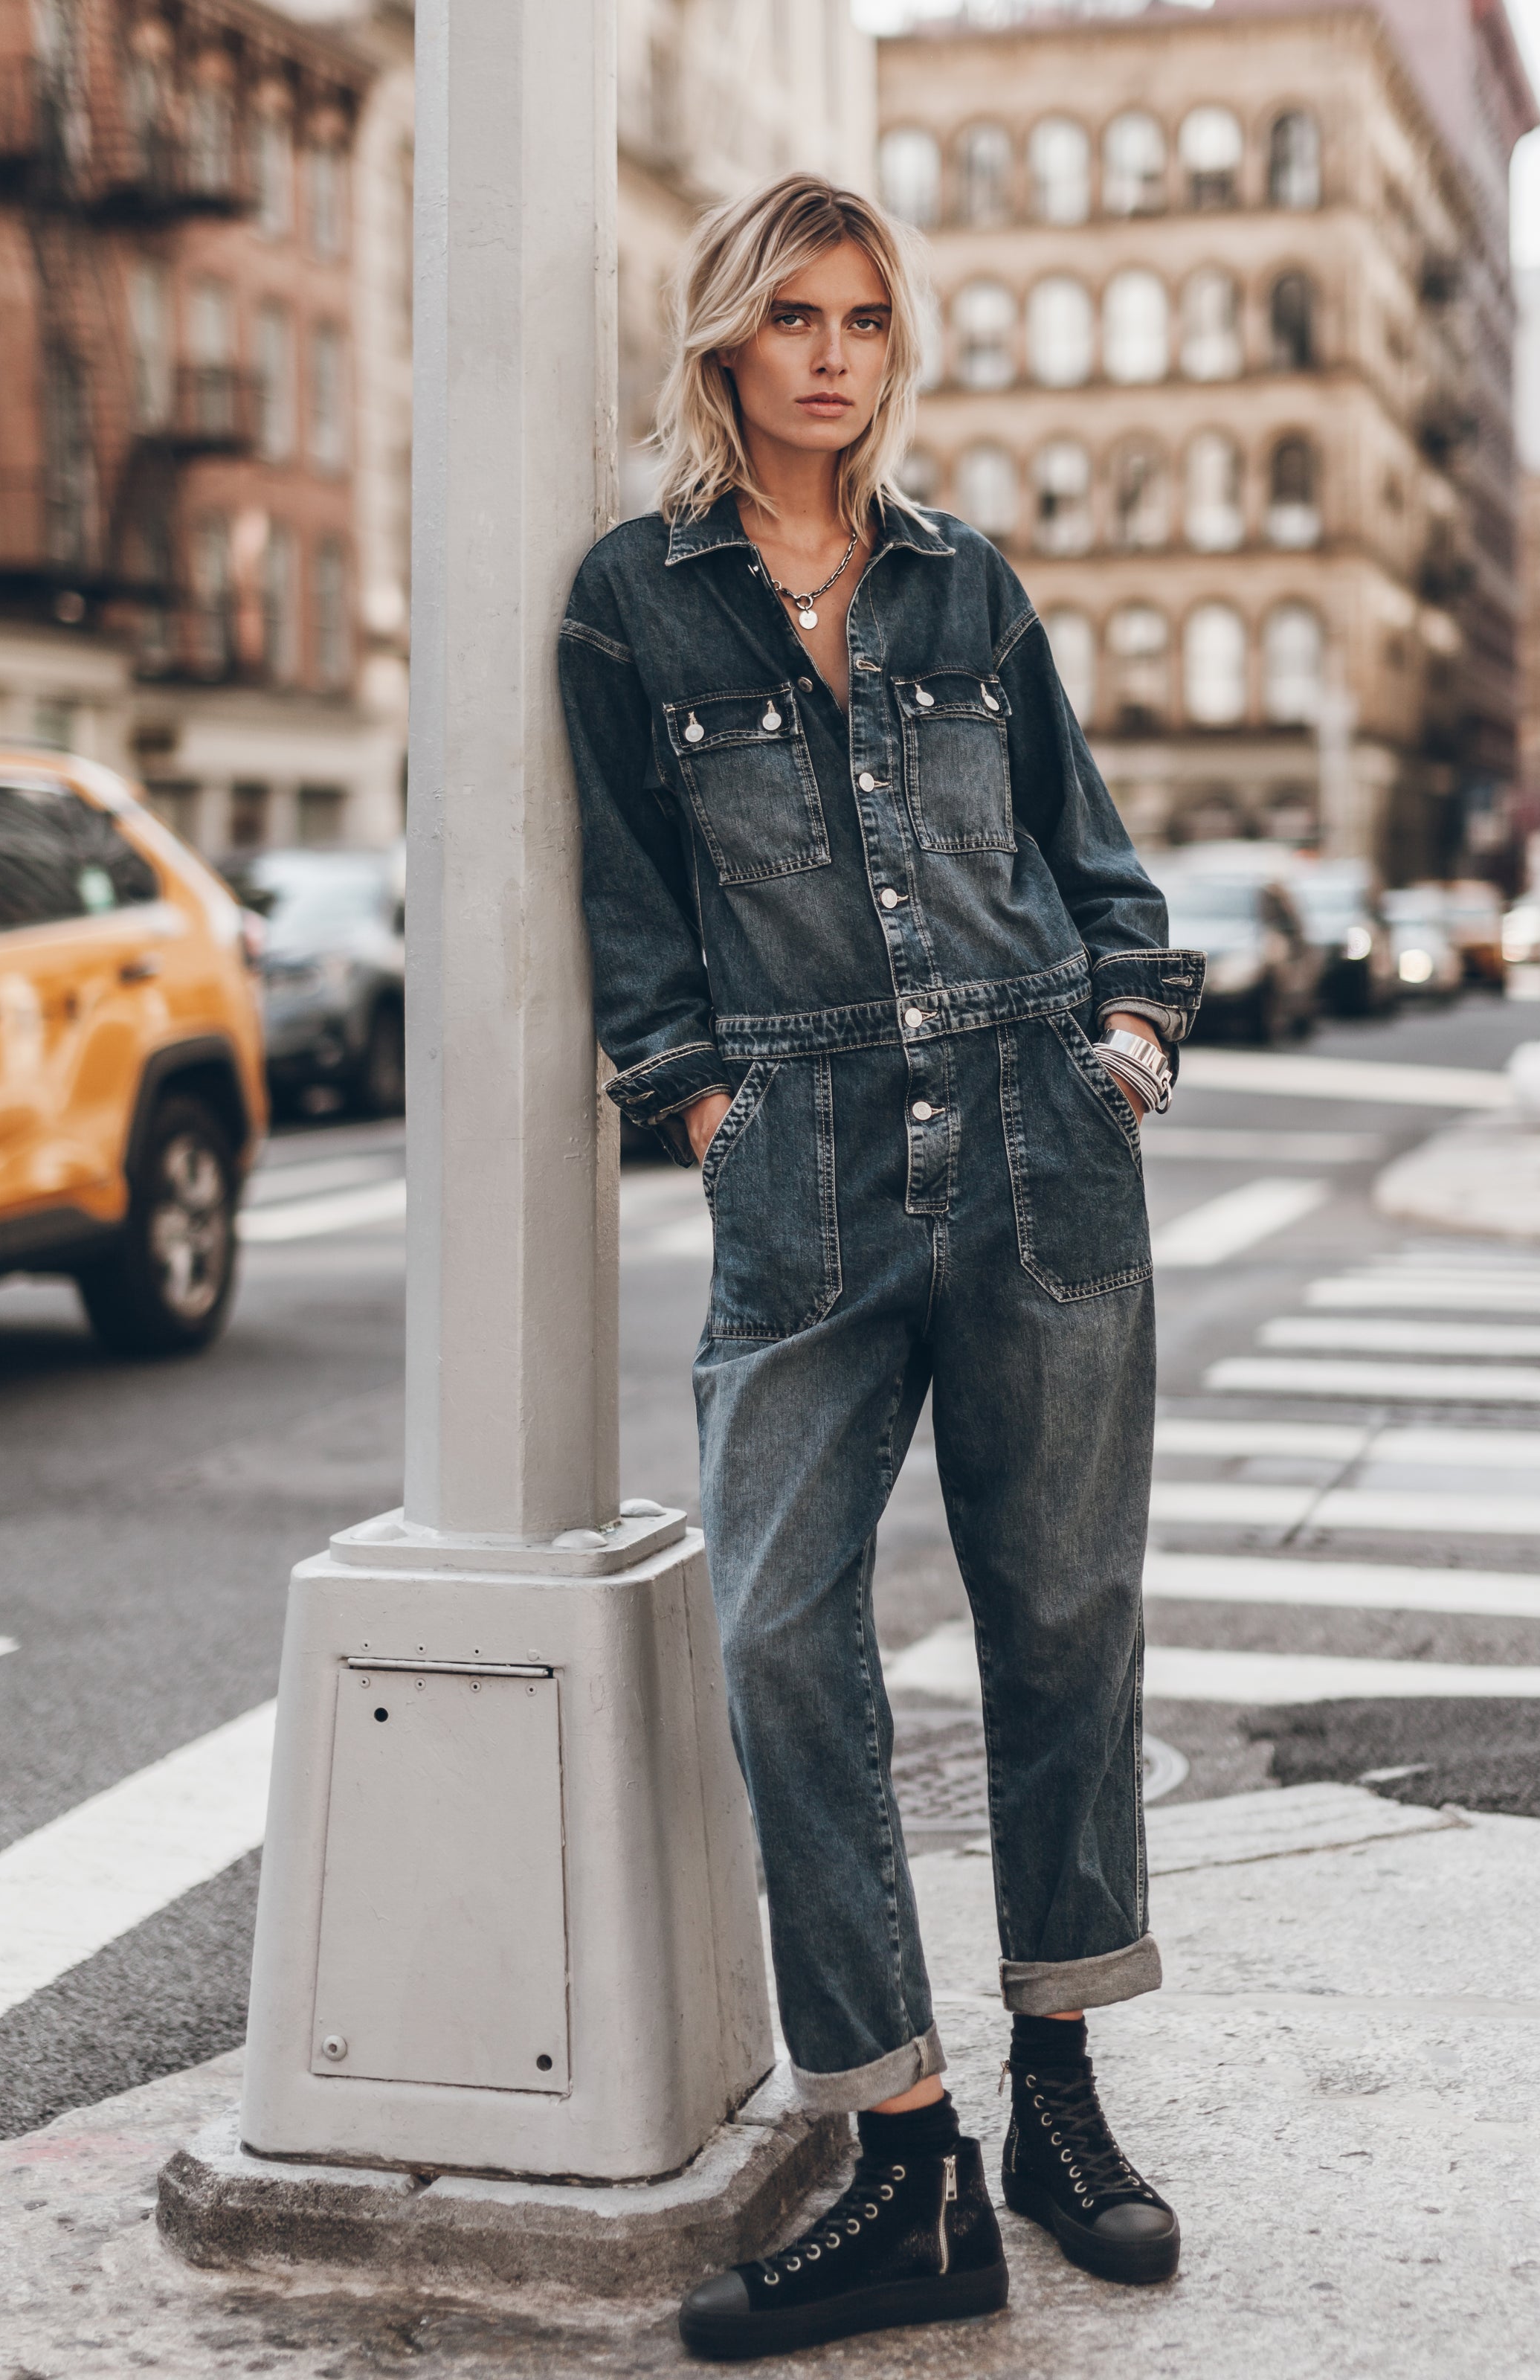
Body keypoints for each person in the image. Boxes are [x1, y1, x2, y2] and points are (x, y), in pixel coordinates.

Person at [558, 174, 1202, 2361]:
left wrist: (1127, 1038)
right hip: (809, 1177)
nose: (832, 352)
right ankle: (904, 2151)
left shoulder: (968, 585)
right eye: (793, 315)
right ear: (726, 339)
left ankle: (1062, 2102)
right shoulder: (635, 609)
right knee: (774, 1639)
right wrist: (713, 1114)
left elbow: (1089, 852)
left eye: (863, 317)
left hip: (1038, 1142)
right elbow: (638, 929)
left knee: (1059, 1624)